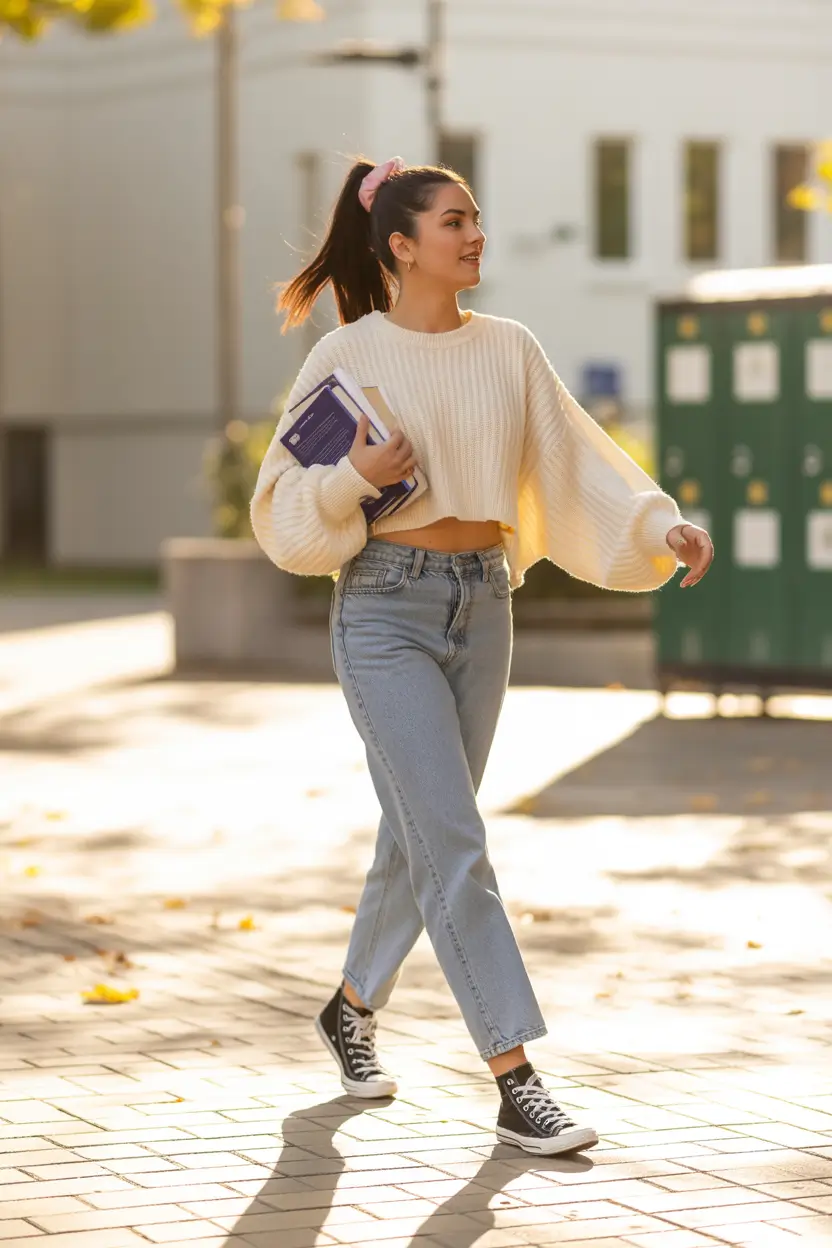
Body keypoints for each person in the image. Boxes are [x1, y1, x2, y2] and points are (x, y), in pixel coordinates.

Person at [249, 155, 714, 1157]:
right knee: (454, 842)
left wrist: (657, 524)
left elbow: (575, 452)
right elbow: (283, 513)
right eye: (453, 221)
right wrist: (351, 480)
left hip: (481, 606)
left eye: (476, 219)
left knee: (417, 836)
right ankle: (514, 1076)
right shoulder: (346, 358)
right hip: (380, 612)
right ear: (402, 245)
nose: (475, 235)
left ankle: (348, 1007)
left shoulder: (507, 348)